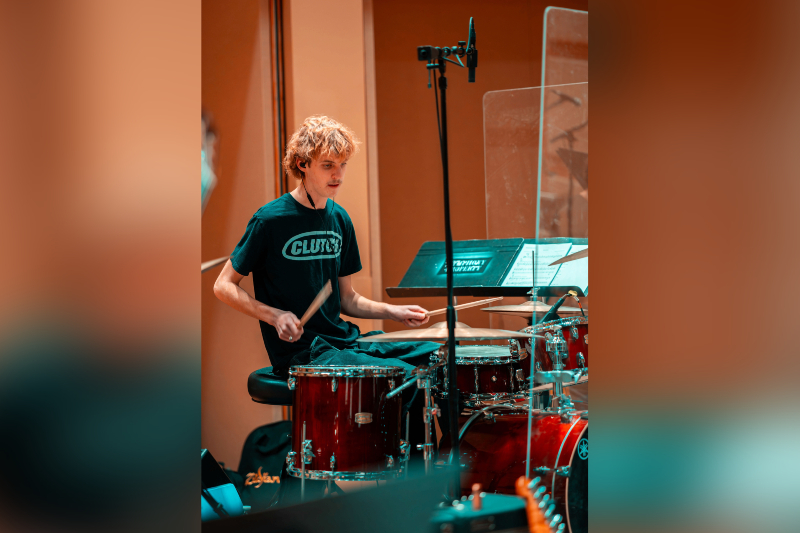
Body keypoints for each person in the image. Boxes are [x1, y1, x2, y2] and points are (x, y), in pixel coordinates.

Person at [213, 115, 438, 377]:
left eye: (343, 165)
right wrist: (275, 316)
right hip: (304, 353)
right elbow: (223, 285)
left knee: (437, 356)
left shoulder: (340, 218)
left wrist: (393, 312)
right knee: (405, 376)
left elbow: (347, 298)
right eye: (328, 165)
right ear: (303, 164)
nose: (338, 175)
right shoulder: (269, 220)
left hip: (345, 341)